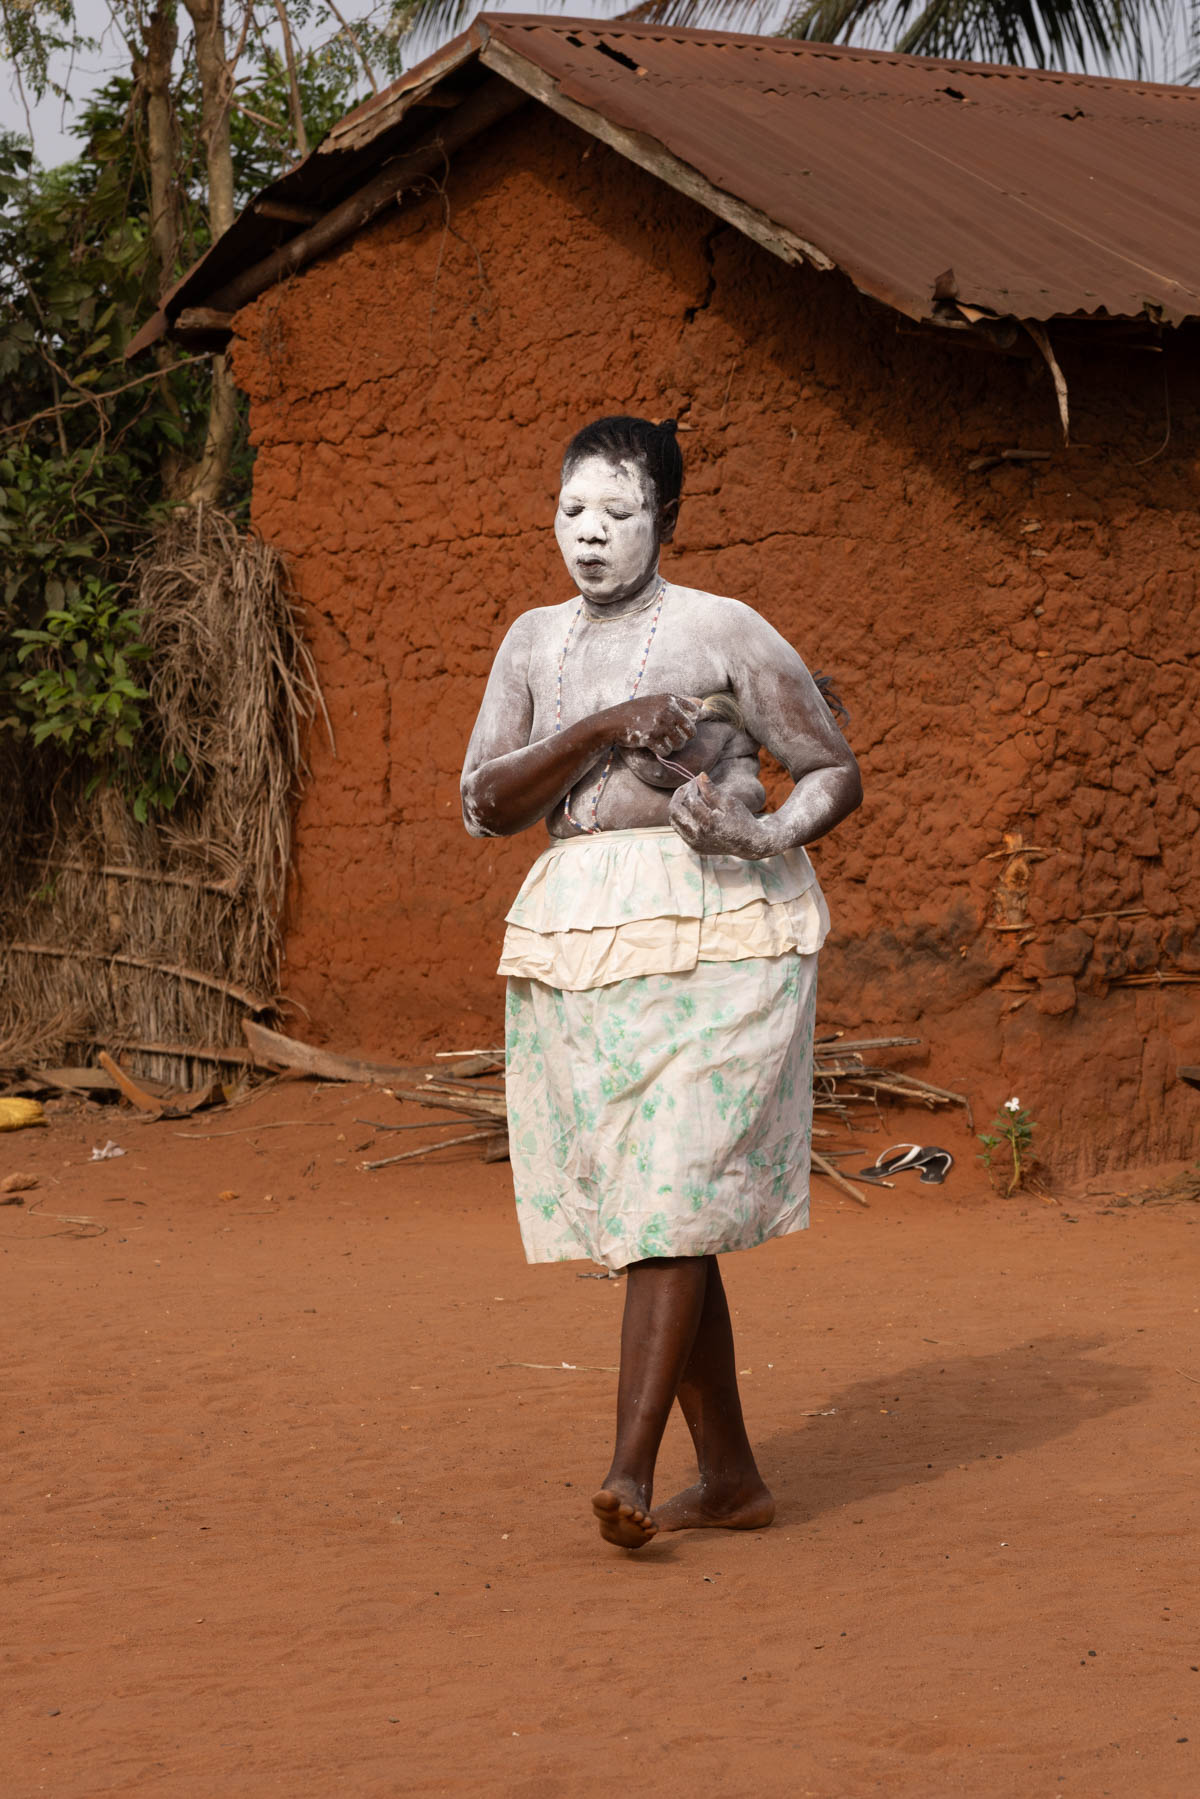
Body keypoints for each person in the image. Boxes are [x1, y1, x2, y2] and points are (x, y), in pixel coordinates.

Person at [461, 415, 862, 1549]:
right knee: (654, 1202)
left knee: (672, 1175)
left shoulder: (722, 628)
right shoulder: (531, 644)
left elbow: (832, 768)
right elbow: (484, 802)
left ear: (667, 521)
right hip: (586, 935)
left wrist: (760, 825)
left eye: (618, 514)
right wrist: (600, 724)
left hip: (725, 923)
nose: (589, 536)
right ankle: (730, 1475)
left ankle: (629, 1471)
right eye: (572, 512)